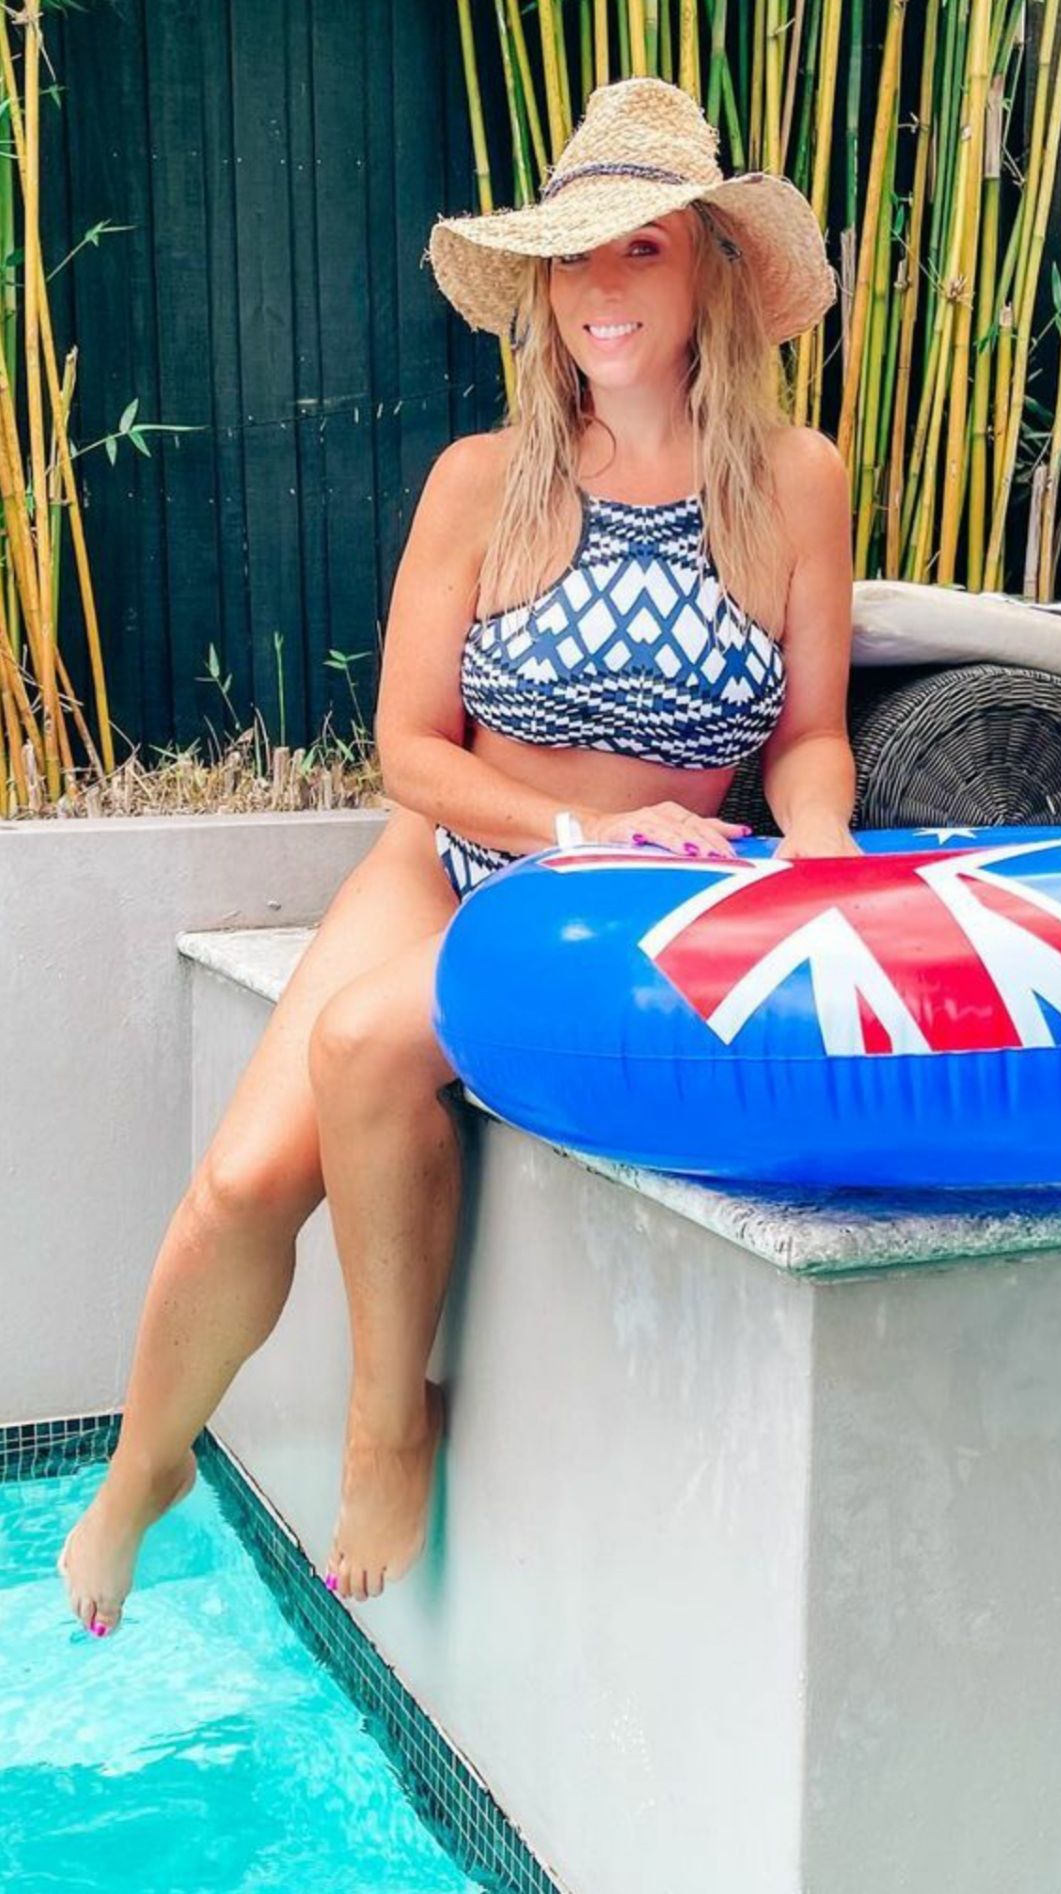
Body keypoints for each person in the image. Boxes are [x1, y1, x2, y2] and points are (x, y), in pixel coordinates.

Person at [57, 75, 858, 1637]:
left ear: (708, 266)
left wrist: (818, 850)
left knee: (367, 1046)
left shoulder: (796, 482)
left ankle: (389, 1420)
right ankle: (141, 1466)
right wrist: (569, 824)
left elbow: (808, 735)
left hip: (627, 901)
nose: (597, 289)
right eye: (571, 258)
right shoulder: (484, 483)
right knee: (239, 1182)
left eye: (636, 249)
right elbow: (409, 754)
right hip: (455, 853)